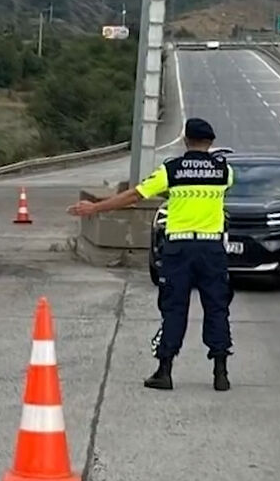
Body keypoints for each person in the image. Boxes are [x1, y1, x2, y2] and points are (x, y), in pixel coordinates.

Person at [68, 117, 234, 392]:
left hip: (179, 248)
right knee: (217, 307)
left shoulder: (172, 170)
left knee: (174, 308)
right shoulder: (224, 171)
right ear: (211, 141)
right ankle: (220, 373)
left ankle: (165, 370)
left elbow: (134, 196)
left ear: (185, 140)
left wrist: (96, 208)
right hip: (211, 248)